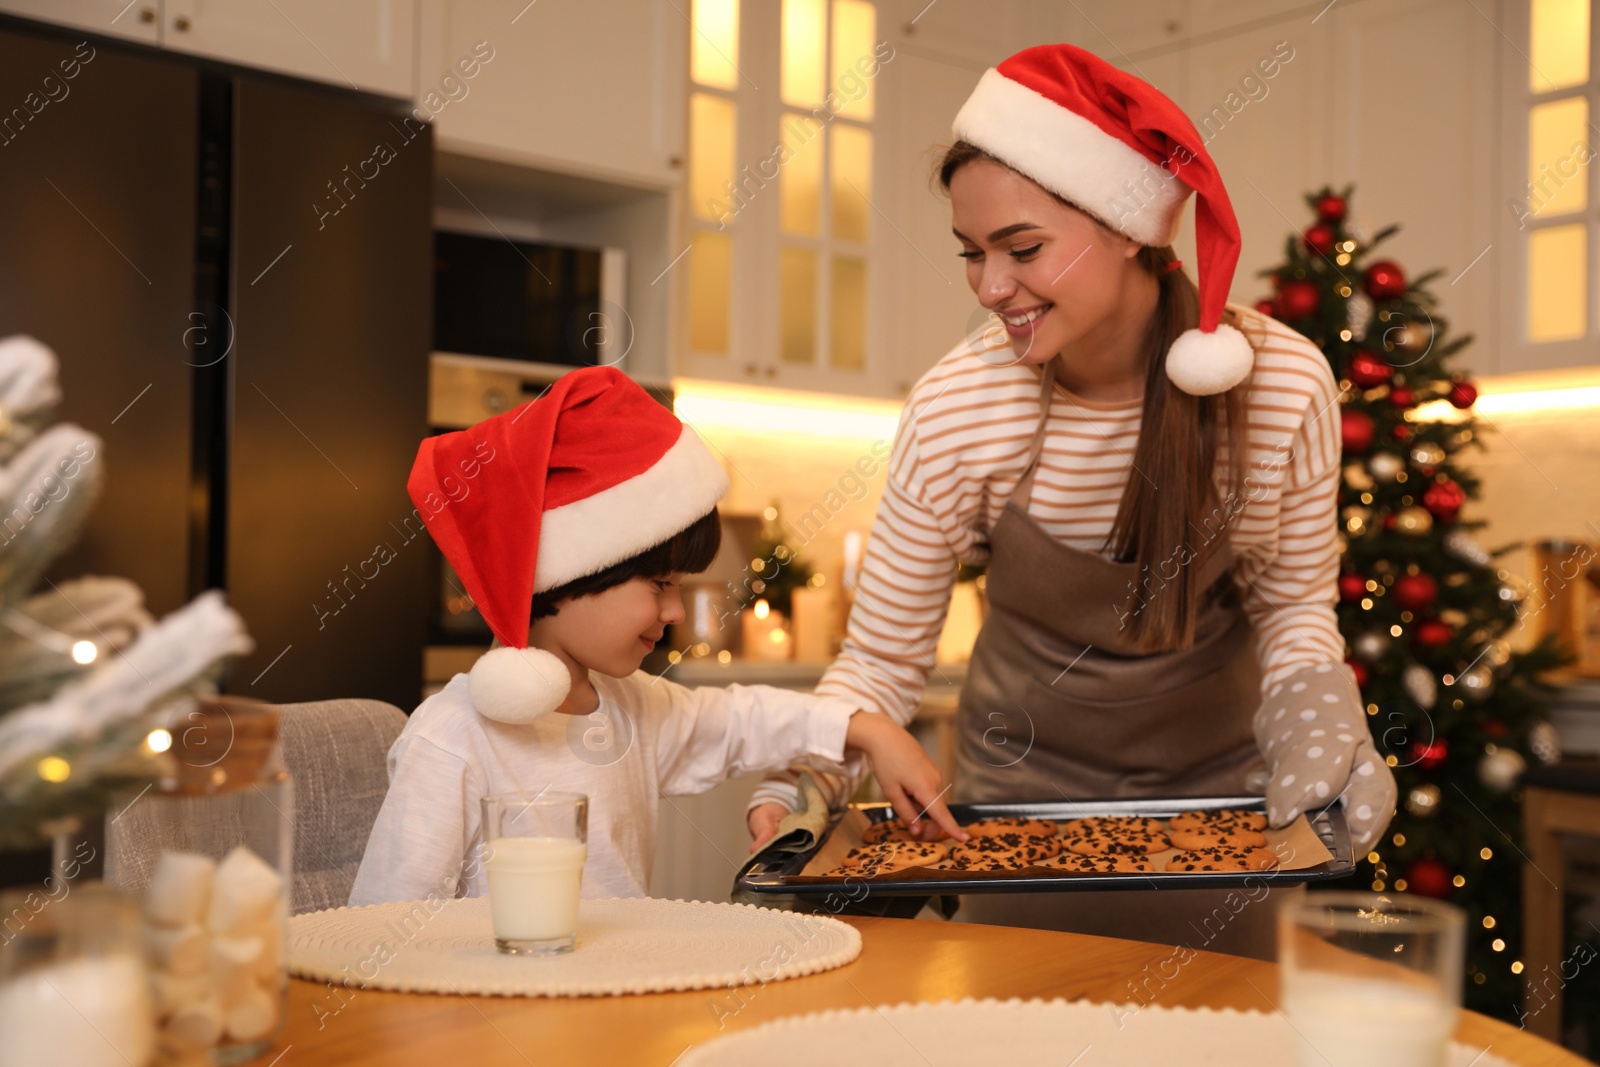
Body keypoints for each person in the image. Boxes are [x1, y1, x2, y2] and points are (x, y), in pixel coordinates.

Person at [745, 44, 1396, 957]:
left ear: (1130, 225)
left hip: (1226, 822)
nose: (990, 288)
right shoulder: (959, 406)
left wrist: (1318, 717)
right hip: (1012, 821)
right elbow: (881, 661)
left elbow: (1291, 607)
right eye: (972, 254)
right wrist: (803, 777)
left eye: (1023, 249)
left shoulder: (1281, 385)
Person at [350, 367, 961, 906]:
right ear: (573, 570)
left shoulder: (632, 707)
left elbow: (741, 720)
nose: (673, 611)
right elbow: (384, 932)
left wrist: (870, 728)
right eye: (660, 583)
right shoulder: (452, 737)